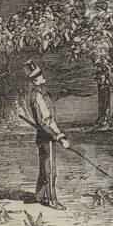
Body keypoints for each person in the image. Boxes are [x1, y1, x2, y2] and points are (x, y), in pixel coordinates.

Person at [25, 60, 71, 210]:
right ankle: (52, 201)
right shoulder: (38, 96)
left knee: (44, 168)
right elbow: (46, 121)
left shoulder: (41, 93)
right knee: (50, 170)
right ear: (35, 80)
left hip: (44, 135)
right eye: (39, 75)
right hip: (47, 136)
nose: (42, 76)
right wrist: (59, 136)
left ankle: (40, 196)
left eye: (41, 73)